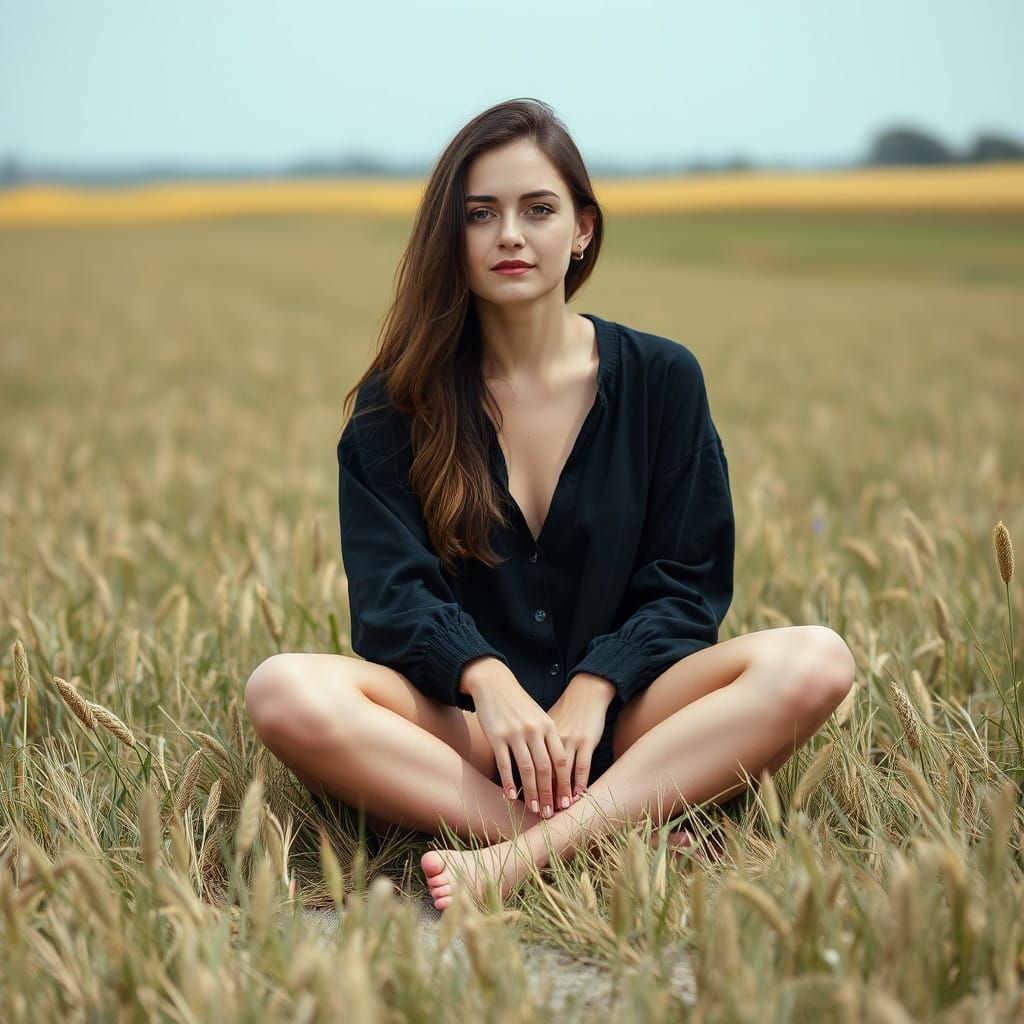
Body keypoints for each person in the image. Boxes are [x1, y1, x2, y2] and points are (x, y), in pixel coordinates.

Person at [244, 98, 856, 912]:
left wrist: (596, 688)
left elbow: (688, 583)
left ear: (583, 230)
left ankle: (515, 856)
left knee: (817, 660)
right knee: (282, 690)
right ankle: (590, 834)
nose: (509, 235)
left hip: (631, 718)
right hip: (466, 732)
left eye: (538, 209)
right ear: (450, 237)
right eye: (480, 214)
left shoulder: (662, 380)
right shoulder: (401, 404)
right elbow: (391, 597)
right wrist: (488, 681)